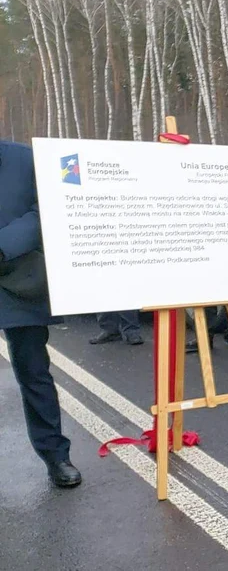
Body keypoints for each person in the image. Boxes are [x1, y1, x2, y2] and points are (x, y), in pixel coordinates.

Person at [0, 141, 82, 488]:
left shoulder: (26, 158)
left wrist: (4, 245)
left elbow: (45, 207)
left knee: (34, 371)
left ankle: (55, 455)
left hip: (17, 279)